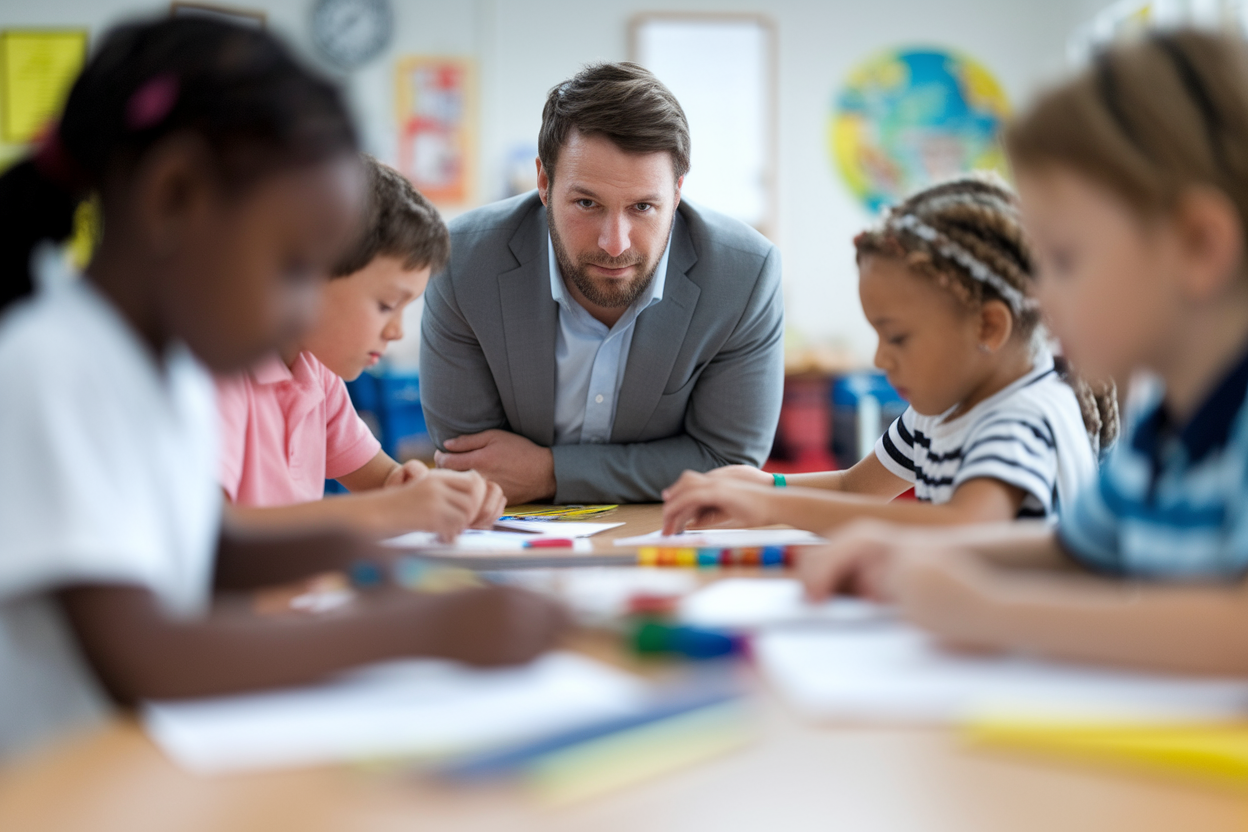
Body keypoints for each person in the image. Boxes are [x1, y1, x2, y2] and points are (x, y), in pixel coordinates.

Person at [0, 17, 564, 761]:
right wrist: (419, 631)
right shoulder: (56, 366)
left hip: (142, 765)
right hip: (58, 785)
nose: (306, 308)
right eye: (294, 268)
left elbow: (201, 543)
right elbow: (144, 652)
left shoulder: (158, 366)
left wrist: (363, 553)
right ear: (174, 197)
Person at [798, 30, 1248, 675]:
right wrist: (908, 555)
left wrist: (990, 610)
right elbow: (1073, 553)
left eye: (1064, 258)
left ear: (1200, 247)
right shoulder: (1168, 428)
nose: (1039, 294)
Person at [662, 174, 1116, 536]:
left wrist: (774, 505)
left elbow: (964, 527)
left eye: (897, 338)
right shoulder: (944, 406)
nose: (881, 359)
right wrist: (769, 486)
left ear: (988, 326)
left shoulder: (1022, 416)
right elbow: (856, 488)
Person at [419, 62, 785, 504]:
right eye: (587, 203)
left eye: (644, 207)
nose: (615, 244)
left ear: (678, 192)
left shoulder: (744, 275)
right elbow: (471, 461)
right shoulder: (461, 261)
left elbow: (730, 461)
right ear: (543, 182)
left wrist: (550, 474)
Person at [217, 154, 505, 540]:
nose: (396, 331)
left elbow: (384, 482)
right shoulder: (221, 374)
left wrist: (427, 489)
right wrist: (393, 507)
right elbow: (210, 532)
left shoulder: (317, 374)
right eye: (386, 305)